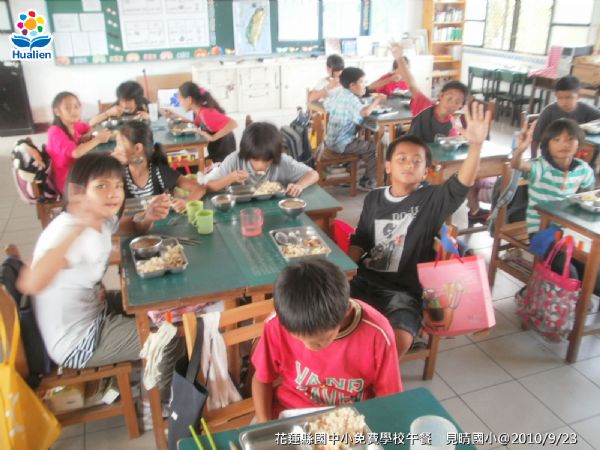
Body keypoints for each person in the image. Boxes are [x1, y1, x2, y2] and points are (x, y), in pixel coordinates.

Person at [349, 102, 491, 358]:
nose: (409, 165)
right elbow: (361, 238)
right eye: (402, 159)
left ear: (426, 171)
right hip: (364, 282)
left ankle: (378, 373)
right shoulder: (374, 198)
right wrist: (346, 273)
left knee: (397, 343)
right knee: (331, 322)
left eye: (417, 161)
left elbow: (462, 183)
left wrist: (476, 146)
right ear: (388, 166)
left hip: (405, 292)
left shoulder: (431, 199)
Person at [18, 153, 174, 373]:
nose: (113, 193)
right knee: (169, 340)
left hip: (96, 311)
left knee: (161, 308)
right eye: (102, 185)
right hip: (78, 341)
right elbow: (32, 282)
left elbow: (131, 227)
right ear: (77, 191)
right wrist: (80, 227)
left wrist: (148, 215)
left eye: (118, 185)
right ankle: (154, 394)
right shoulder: (68, 230)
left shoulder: (99, 218)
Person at [251, 258, 402, 422]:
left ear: (346, 312)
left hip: (350, 419)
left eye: (320, 342)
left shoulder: (378, 334)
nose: (309, 347)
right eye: (298, 339)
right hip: (290, 411)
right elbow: (261, 379)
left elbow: (389, 399)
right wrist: (265, 425)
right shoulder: (276, 324)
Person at [392, 44, 488, 226]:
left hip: (436, 166)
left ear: (461, 106)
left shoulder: (453, 125)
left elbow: (452, 149)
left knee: (463, 179)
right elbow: (410, 81)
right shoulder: (424, 105)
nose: (452, 103)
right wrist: (399, 57)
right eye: (449, 97)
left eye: (457, 101)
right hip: (414, 164)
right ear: (440, 96)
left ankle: (469, 213)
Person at [513, 117, 599, 298]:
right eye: (557, 139)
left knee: (594, 273)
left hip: (570, 231)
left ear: (579, 143)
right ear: (547, 144)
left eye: (570, 139)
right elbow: (519, 165)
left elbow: (590, 194)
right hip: (541, 231)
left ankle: (578, 305)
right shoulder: (541, 166)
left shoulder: (582, 169)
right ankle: (557, 301)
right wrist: (520, 151)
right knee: (569, 271)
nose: (564, 144)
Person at [204, 122, 319, 197]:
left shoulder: (282, 161)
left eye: (267, 160)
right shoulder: (234, 160)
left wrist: (300, 185)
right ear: (246, 153)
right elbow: (208, 186)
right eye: (255, 159)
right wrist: (230, 178)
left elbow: (313, 174)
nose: (261, 166)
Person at [112, 121, 205, 212]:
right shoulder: (117, 173)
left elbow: (199, 189)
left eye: (119, 144)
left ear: (137, 148)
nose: (115, 149)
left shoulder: (160, 172)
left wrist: (185, 202)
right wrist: (110, 165)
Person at [323, 67, 385, 191]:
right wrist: (377, 100)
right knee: (375, 148)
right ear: (352, 85)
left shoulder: (340, 93)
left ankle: (349, 175)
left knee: (363, 142)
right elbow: (365, 112)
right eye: (362, 82)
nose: (364, 85)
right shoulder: (351, 99)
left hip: (331, 140)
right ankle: (368, 182)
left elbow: (326, 104)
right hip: (342, 143)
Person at [46, 91, 114, 194]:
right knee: (111, 172)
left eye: (76, 107)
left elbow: (88, 127)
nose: (73, 111)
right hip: (69, 182)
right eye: (67, 108)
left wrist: (86, 136)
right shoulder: (55, 131)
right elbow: (76, 153)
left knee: (111, 161)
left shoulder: (73, 125)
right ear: (57, 112)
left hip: (79, 170)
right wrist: (98, 139)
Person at [164, 81, 237, 163]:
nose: (180, 103)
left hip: (223, 160)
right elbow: (194, 124)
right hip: (217, 156)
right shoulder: (200, 111)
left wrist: (213, 138)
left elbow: (233, 123)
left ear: (189, 100)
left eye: (180, 100)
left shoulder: (205, 114)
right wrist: (174, 115)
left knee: (191, 165)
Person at [532, 75, 600, 158]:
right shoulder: (549, 111)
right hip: (550, 156)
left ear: (579, 96)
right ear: (556, 95)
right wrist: (533, 158)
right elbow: (535, 138)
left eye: (569, 97)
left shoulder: (586, 109)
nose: (564, 102)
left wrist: (591, 125)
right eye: (560, 98)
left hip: (575, 155)